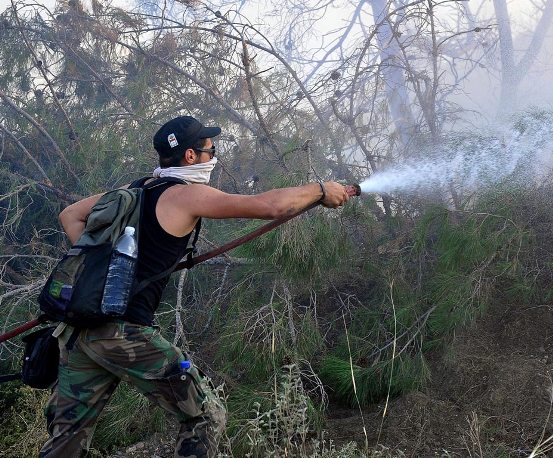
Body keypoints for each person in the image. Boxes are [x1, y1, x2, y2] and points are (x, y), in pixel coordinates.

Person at [39, 115, 350, 457]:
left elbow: (70, 215)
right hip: (122, 333)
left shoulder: (132, 190)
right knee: (206, 416)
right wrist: (320, 191)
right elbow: (269, 206)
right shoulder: (185, 196)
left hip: (80, 333)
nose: (214, 156)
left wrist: (100, 267)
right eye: (210, 149)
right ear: (191, 157)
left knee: (66, 442)